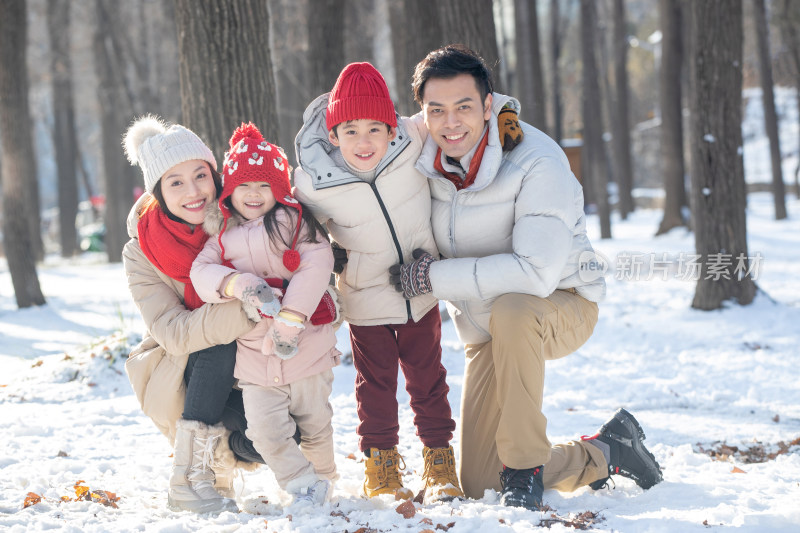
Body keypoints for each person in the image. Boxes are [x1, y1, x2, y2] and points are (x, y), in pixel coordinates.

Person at [390, 44, 663, 510]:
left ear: (489, 104)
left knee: (516, 306)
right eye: (436, 111)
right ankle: (608, 450)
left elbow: (536, 274)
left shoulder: (537, 161)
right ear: (422, 114)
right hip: (488, 326)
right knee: (479, 483)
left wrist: (432, 278)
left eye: (463, 107)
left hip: (561, 303)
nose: (450, 123)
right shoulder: (422, 156)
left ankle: (523, 470)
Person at [292, 62, 464, 503]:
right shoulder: (313, 183)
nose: (363, 141)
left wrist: (502, 114)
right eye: (350, 131)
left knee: (430, 381)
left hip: (421, 293)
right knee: (377, 385)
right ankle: (381, 465)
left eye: (374, 129)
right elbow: (298, 232)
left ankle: (440, 460)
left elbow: (452, 115)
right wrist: (329, 258)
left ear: (392, 129)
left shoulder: (415, 140)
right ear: (333, 135)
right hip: (366, 301)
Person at [190, 123, 340, 505]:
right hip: (257, 359)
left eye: (263, 185)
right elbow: (201, 273)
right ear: (229, 192)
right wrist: (237, 284)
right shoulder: (221, 236)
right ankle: (304, 483)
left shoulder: (294, 223)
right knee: (265, 432)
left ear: (279, 189)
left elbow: (317, 262)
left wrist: (292, 316)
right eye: (244, 185)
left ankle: (325, 480)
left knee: (316, 427)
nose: (253, 194)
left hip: (306, 350)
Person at [122, 116, 264, 514]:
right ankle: (188, 478)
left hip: (255, 365)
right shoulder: (141, 252)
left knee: (281, 436)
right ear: (158, 192)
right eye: (175, 182)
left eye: (200, 175)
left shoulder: (245, 221)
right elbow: (173, 333)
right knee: (213, 341)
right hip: (183, 370)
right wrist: (251, 305)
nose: (193, 192)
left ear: (215, 176)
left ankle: (219, 447)